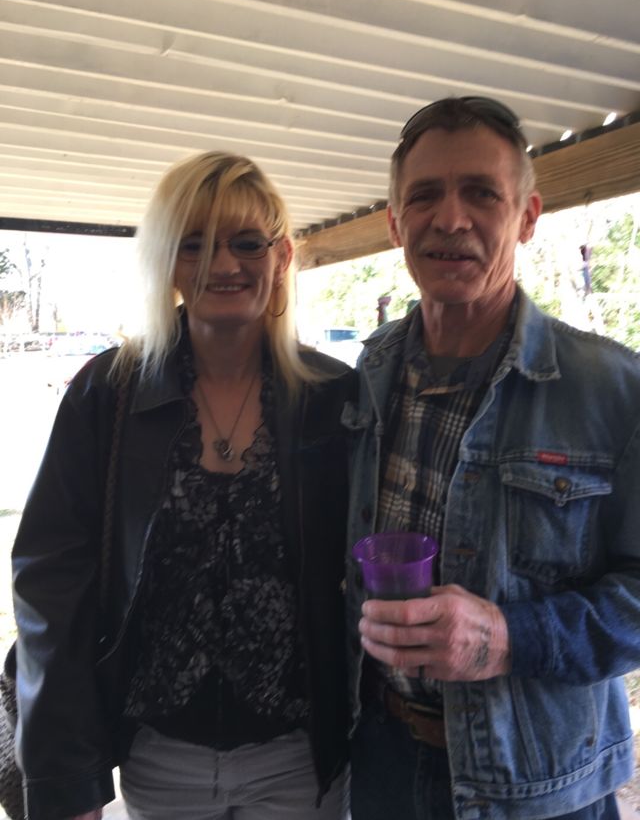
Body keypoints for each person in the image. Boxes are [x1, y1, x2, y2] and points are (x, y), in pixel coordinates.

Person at [12, 151, 353, 820]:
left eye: (246, 242)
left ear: (281, 256)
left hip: (301, 761)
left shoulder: (334, 398)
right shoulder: (106, 394)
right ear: (166, 261)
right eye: (193, 243)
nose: (221, 264)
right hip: (159, 758)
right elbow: (52, 589)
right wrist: (66, 778)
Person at [343, 96, 640, 820]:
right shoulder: (368, 376)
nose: (450, 219)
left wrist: (511, 638)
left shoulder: (612, 388)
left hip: (539, 789)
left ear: (527, 216)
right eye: (424, 196)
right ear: (395, 224)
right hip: (381, 766)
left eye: (481, 192)